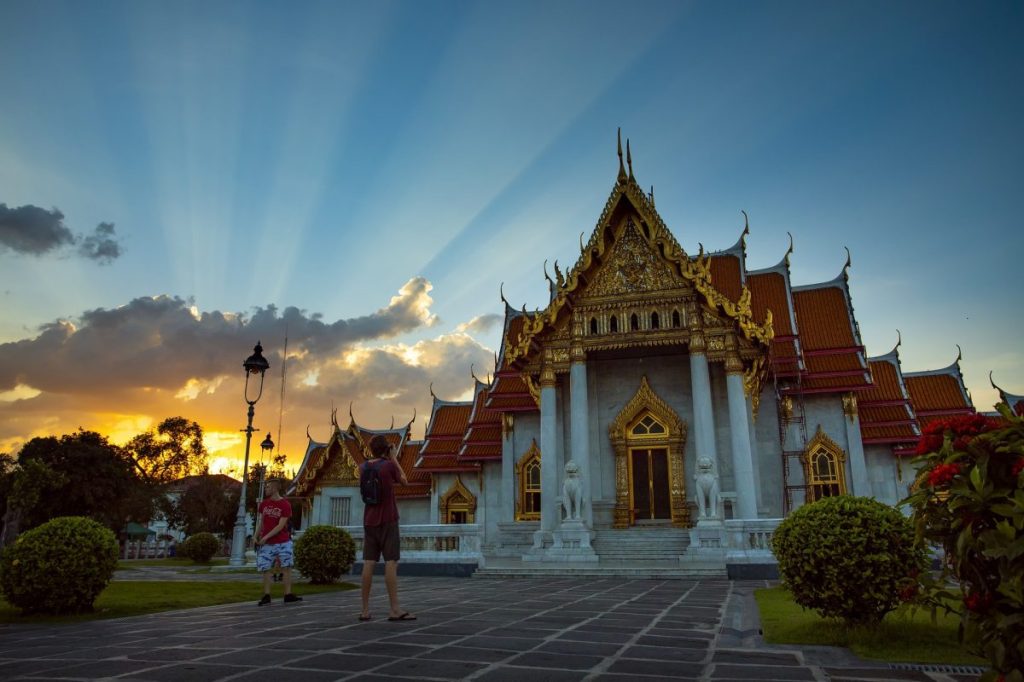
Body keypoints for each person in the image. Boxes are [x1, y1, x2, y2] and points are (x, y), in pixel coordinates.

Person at [359, 435, 416, 622]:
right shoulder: (388, 466)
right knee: (391, 562)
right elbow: (405, 482)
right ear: (386, 449)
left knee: (368, 563)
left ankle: (365, 610)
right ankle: (394, 609)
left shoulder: (363, 467)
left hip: (369, 520)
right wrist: (394, 458)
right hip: (388, 519)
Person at [256, 480, 301, 606]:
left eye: (268, 487)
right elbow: (261, 522)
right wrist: (256, 536)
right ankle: (266, 595)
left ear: (275, 489)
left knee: (286, 567)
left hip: (283, 541)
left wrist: (266, 536)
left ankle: (287, 594)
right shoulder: (264, 504)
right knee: (266, 568)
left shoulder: (285, 505)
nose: (266, 489)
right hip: (267, 543)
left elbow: (281, 525)